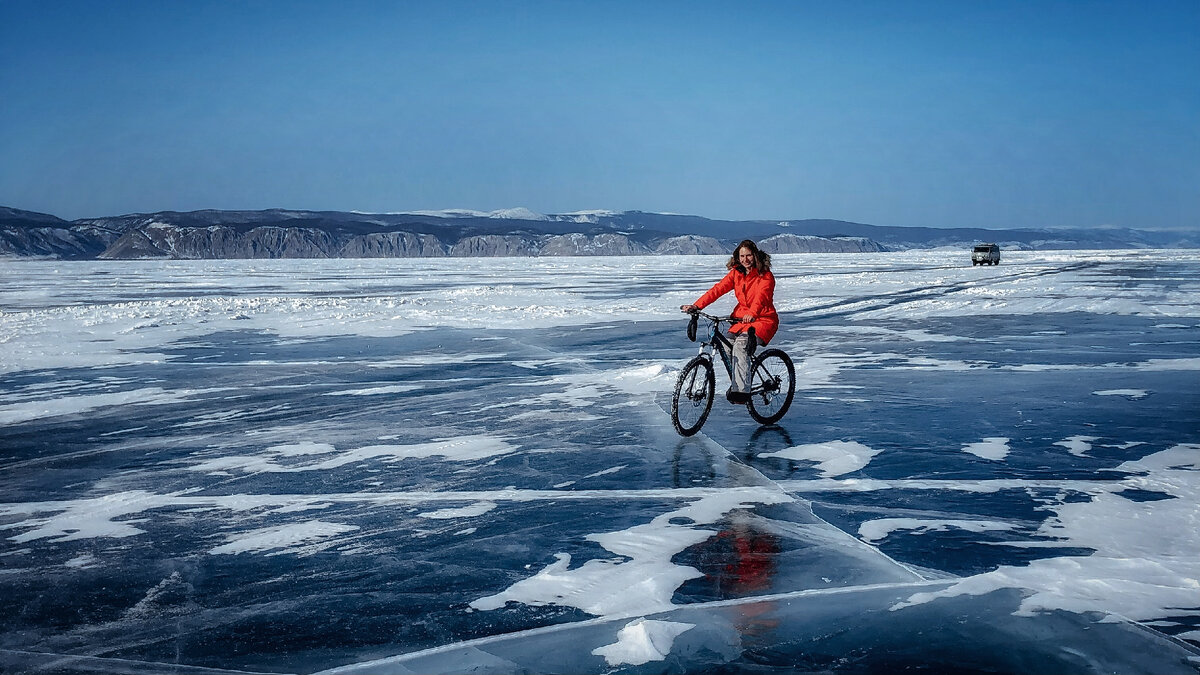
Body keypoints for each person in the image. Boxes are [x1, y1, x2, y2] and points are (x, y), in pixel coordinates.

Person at [680, 239, 778, 403]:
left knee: (740, 346)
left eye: (749, 255)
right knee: (725, 344)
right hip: (741, 320)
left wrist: (753, 313)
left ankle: (741, 391)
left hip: (763, 319)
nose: (745, 260)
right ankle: (739, 381)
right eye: (742, 256)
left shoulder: (765, 276)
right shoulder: (736, 273)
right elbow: (717, 290)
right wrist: (697, 306)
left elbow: (761, 298)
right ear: (737, 257)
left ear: (755, 255)